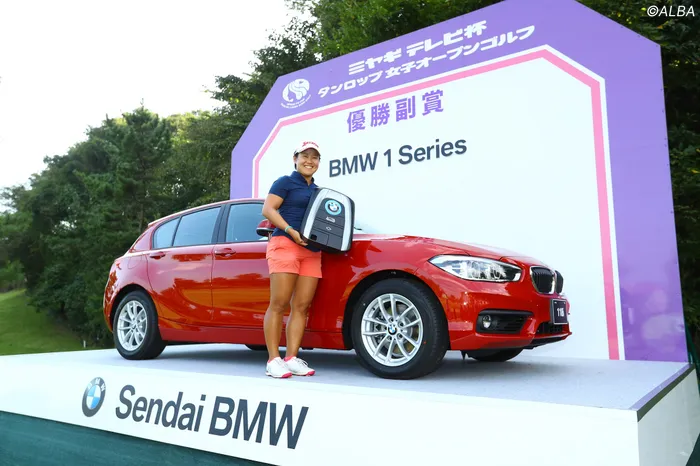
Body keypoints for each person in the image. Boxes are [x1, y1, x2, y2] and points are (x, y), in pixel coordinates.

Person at [261, 141, 323, 378]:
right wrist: (289, 230)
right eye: (305, 155)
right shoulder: (284, 182)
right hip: (285, 244)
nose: (309, 161)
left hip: (312, 251)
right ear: (295, 158)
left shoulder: (318, 191)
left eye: (315, 157)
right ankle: (273, 360)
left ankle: (291, 358)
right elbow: (268, 209)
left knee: (302, 306)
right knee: (279, 303)